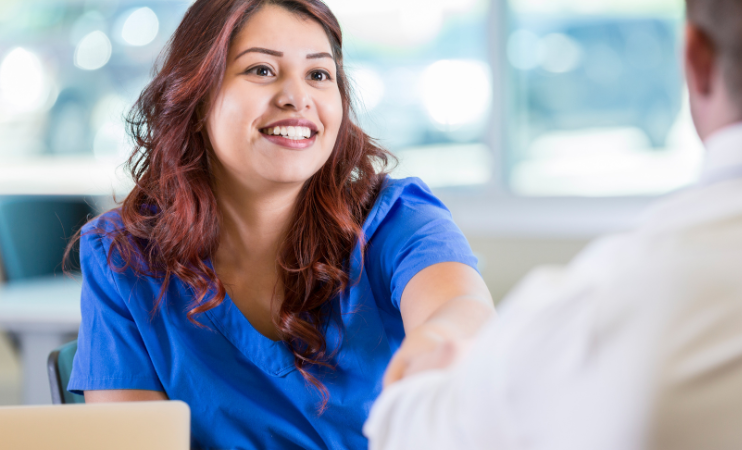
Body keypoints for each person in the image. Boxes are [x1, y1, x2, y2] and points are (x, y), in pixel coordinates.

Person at [364, 0, 742, 449]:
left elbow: (411, 429)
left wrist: (448, 365)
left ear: (695, 60)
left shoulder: (607, 307)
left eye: (319, 74)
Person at [66, 1, 496, 449]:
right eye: (262, 70)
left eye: (318, 74)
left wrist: (442, 338)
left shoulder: (396, 218)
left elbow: (462, 304)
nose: (297, 97)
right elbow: (131, 440)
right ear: (197, 96)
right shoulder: (123, 254)